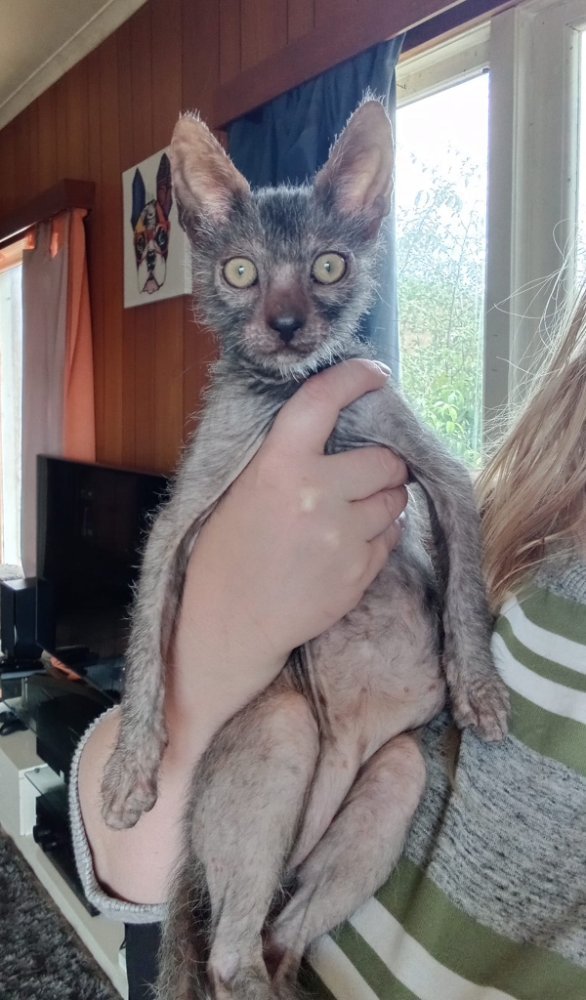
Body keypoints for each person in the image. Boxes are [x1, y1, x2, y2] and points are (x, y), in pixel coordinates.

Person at [71, 289, 586, 999]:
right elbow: (137, 862)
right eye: (245, 275)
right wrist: (199, 672)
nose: (286, 314)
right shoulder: (523, 511)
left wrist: (467, 665)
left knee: (394, 773)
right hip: (262, 803)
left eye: (327, 269)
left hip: (326, 836)